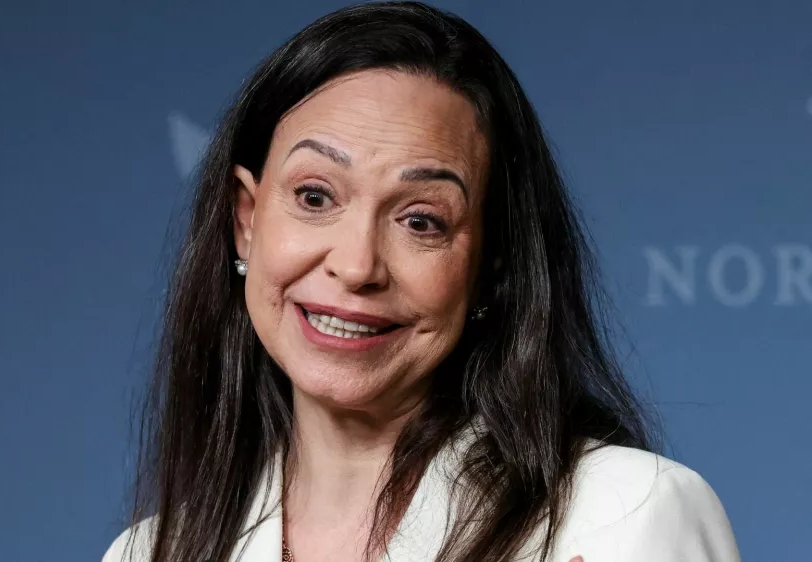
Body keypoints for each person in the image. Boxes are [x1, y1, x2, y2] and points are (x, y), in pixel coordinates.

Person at [103, 2, 740, 561]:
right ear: (246, 222)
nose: (355, 266)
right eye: (316, 196)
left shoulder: (622, 517)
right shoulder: (149, 553)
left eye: (421, 220)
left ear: (492, 262)